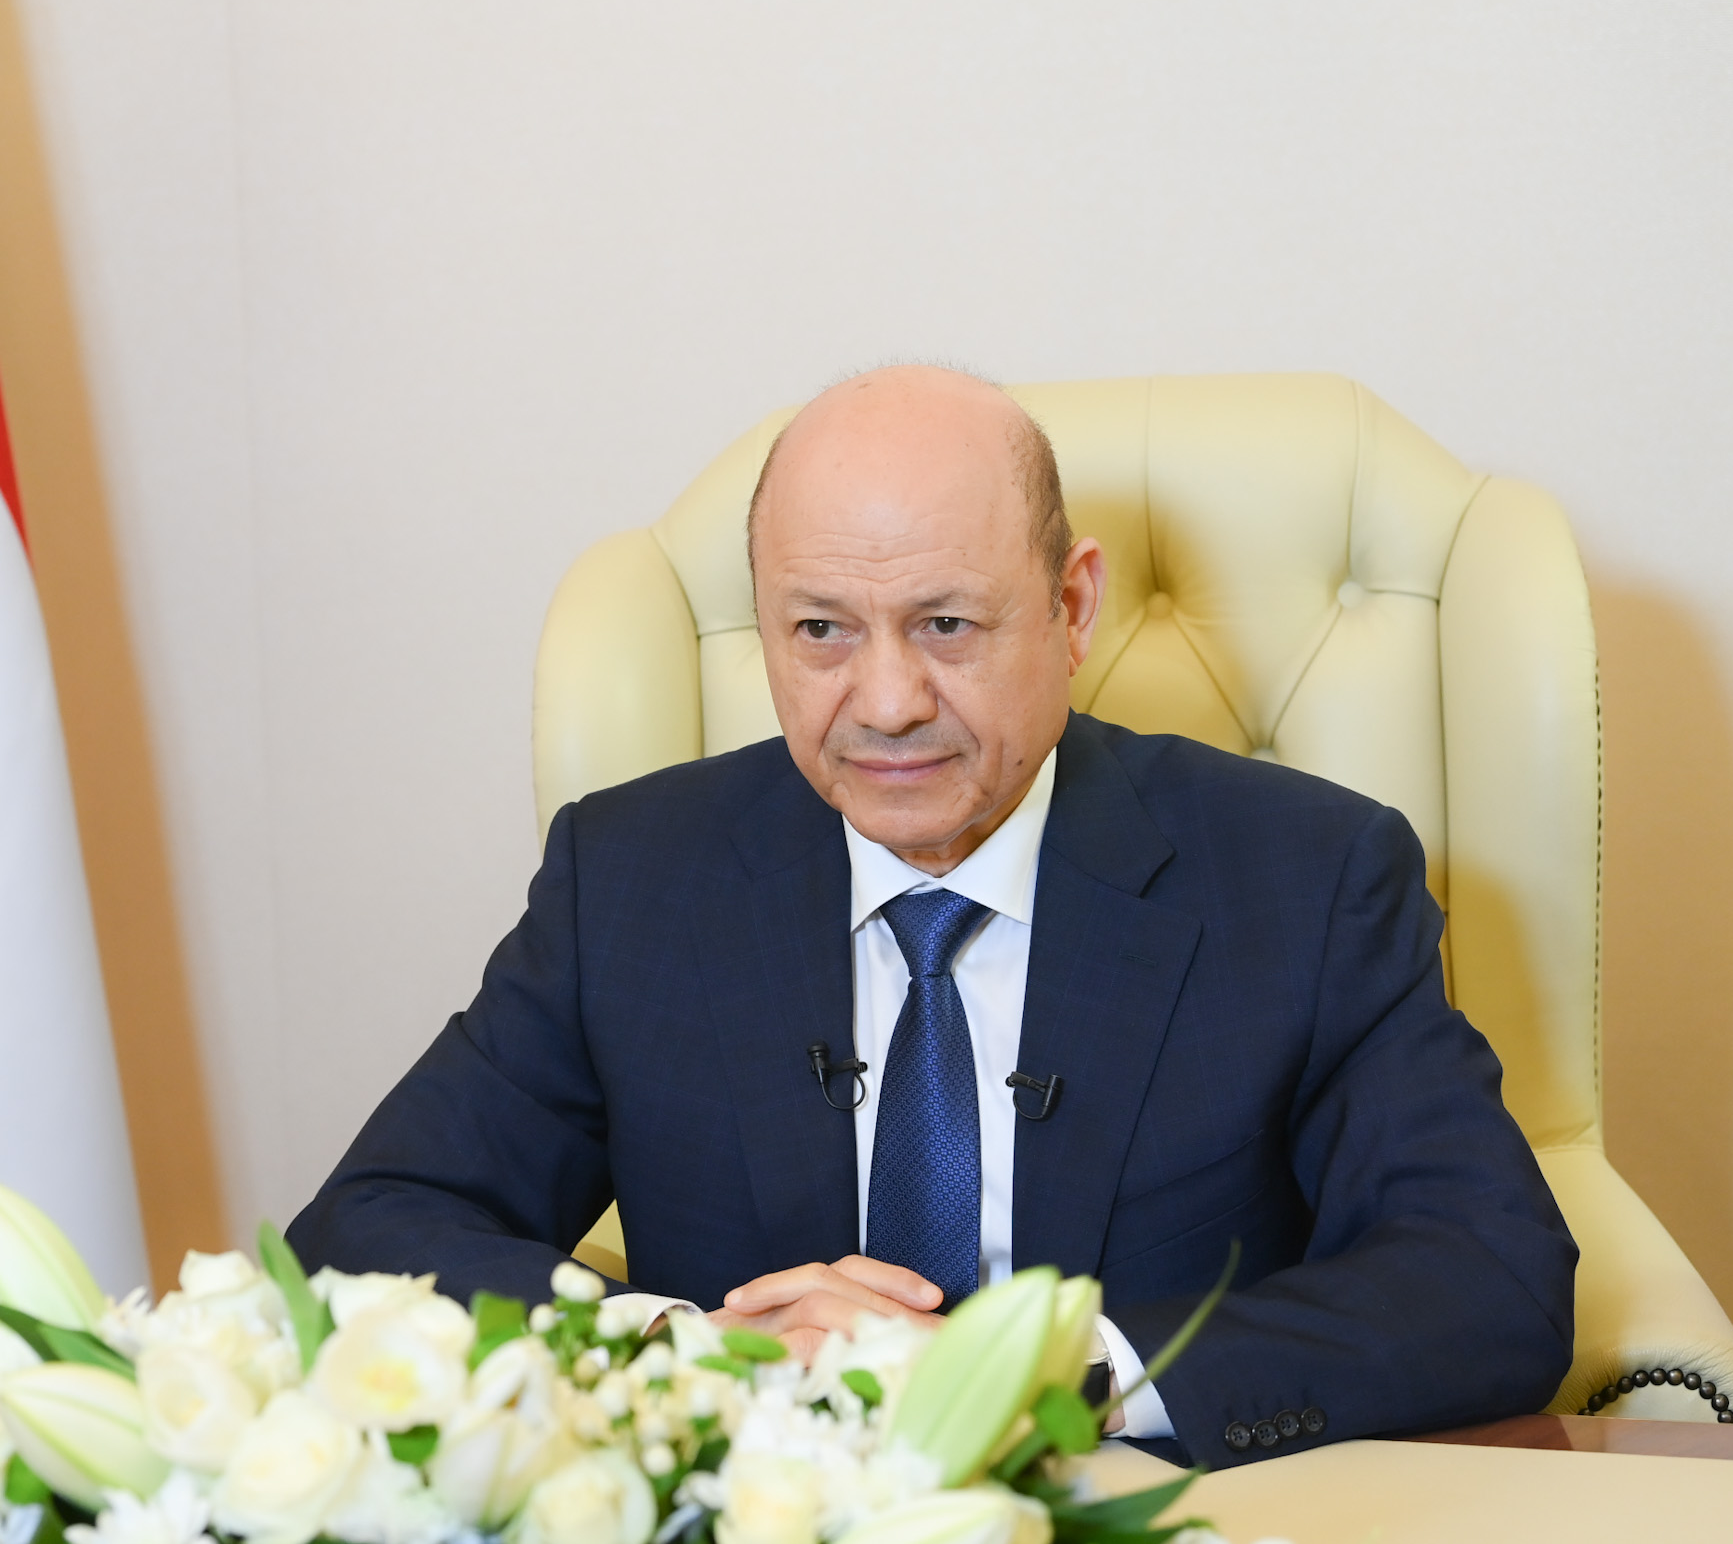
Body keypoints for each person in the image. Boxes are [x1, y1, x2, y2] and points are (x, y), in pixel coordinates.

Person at [289, 365, 1576, 1468]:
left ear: (1070, 608)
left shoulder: (1306, 876)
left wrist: (1052, 1373)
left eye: (945, 624)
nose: (886, 700)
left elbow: (1489, 1278)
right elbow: (362, 1232)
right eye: (820, 630)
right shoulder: (631, 877)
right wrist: (685, 1351)